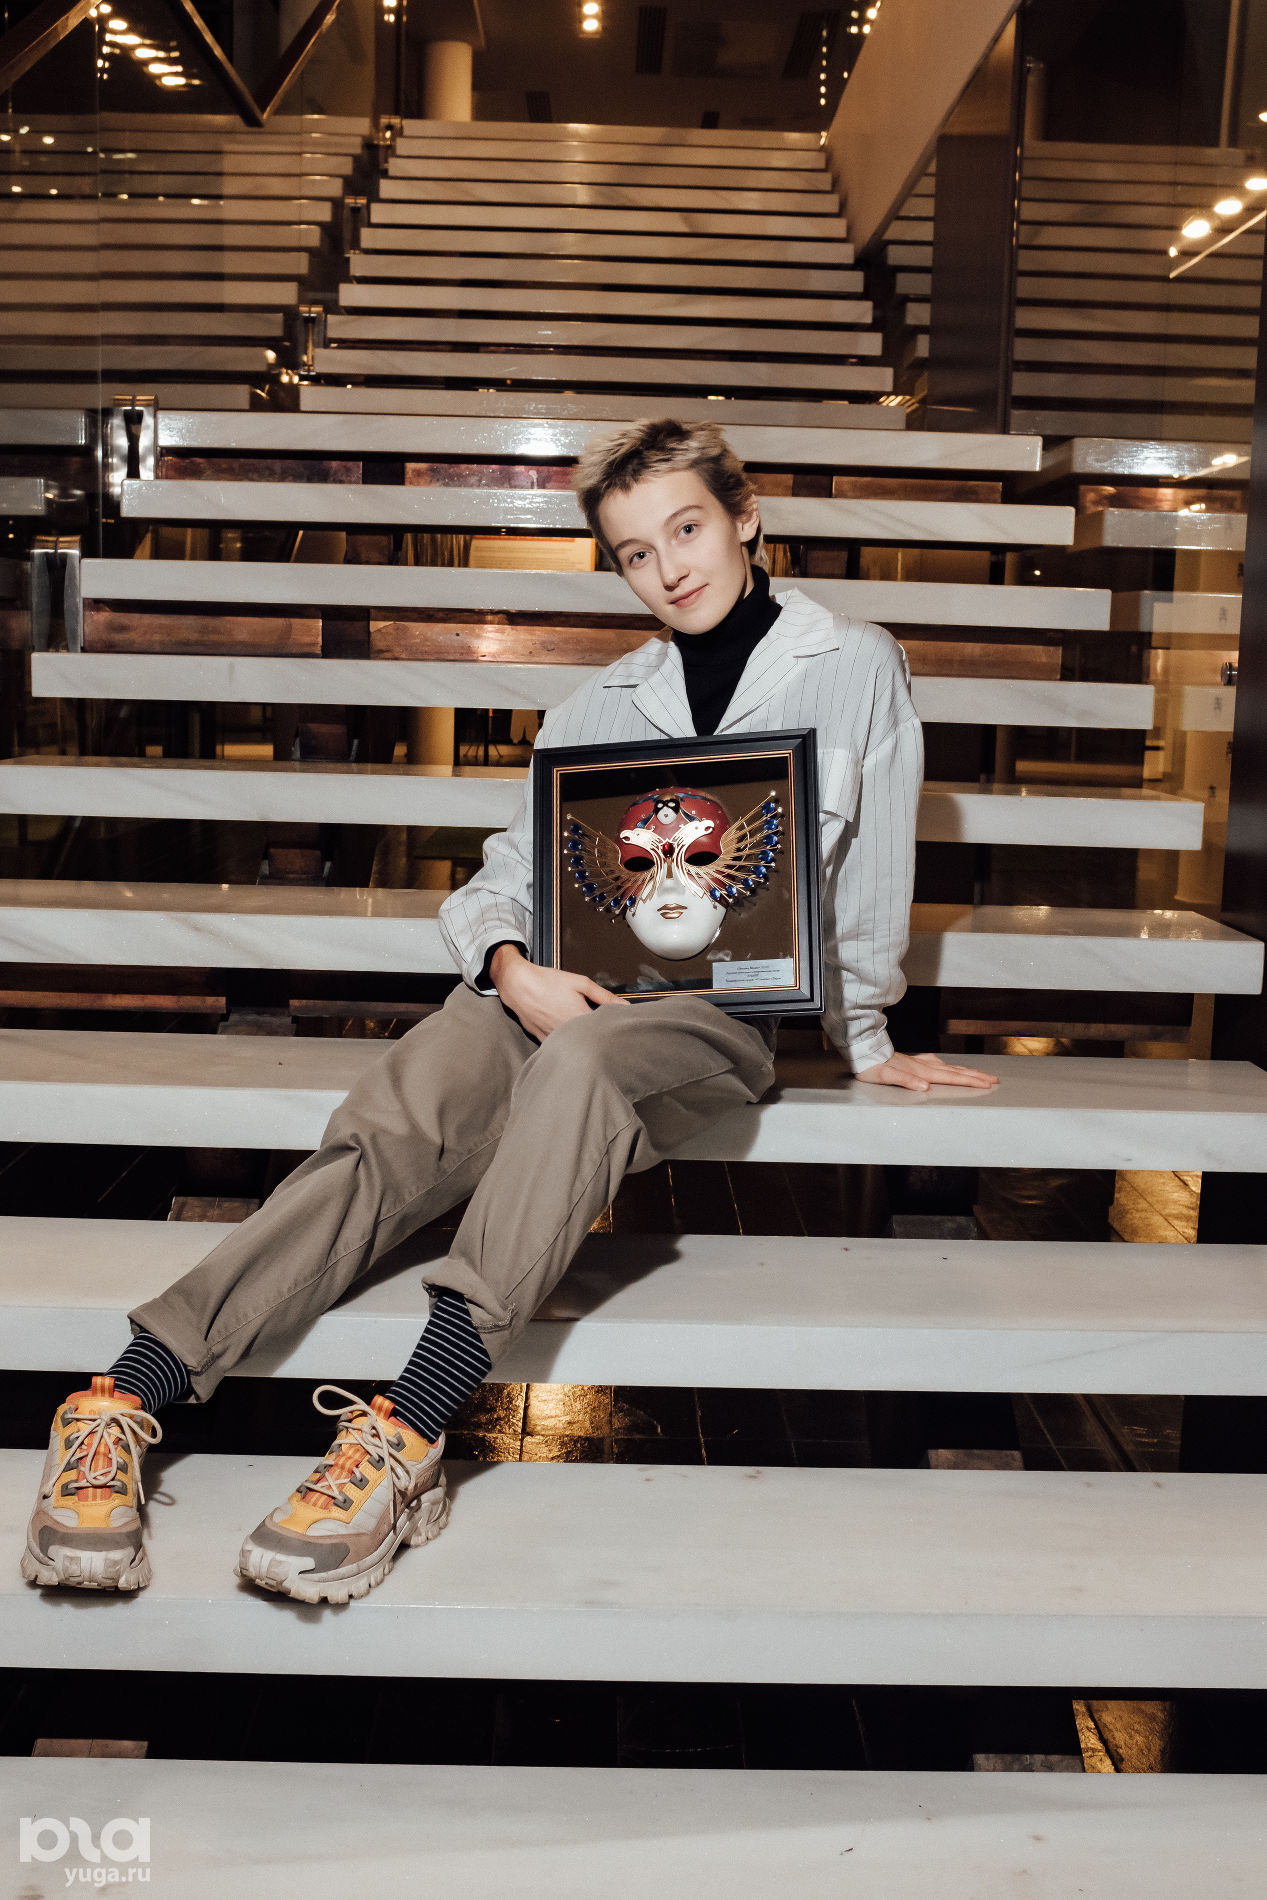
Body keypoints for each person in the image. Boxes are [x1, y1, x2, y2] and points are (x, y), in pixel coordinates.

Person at [21, 417, 997, 1607]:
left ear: (744, 517)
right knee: (400, 1116)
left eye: (687, 529)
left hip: (709, 1018)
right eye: (634, 552)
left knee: (583, 1063)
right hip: (554, 987)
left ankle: (407, 1430)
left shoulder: (854, 663)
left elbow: (874, 874)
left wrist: (871, 1036)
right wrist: (508, 967)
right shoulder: (595, 707)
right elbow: (502, 878)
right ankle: (122, 1393)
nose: (669, 568)